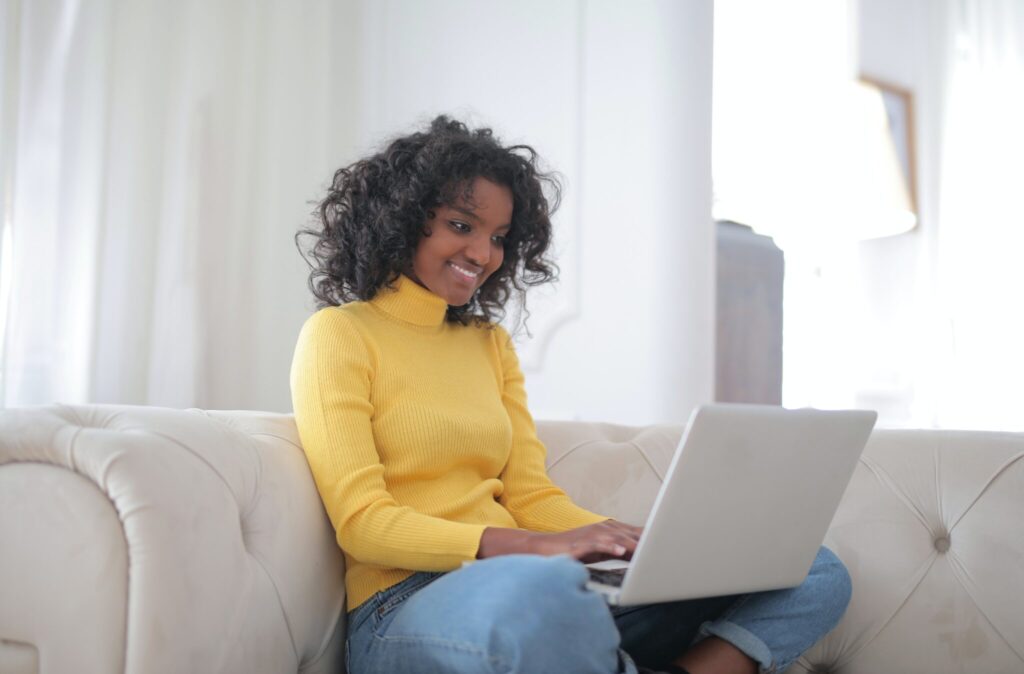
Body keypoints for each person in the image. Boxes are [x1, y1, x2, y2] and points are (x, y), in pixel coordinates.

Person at [291, 115, 851, 674]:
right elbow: (363, 524)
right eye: (462, 226)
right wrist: (531, 550)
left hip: (535, 589)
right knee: (549, 590)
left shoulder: (489, 346)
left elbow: (531, 497)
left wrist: (636, 546)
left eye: (499, 238)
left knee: (814, 569)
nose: (484, 254)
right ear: (403, 219)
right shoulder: (341, 335)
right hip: (406, 605)